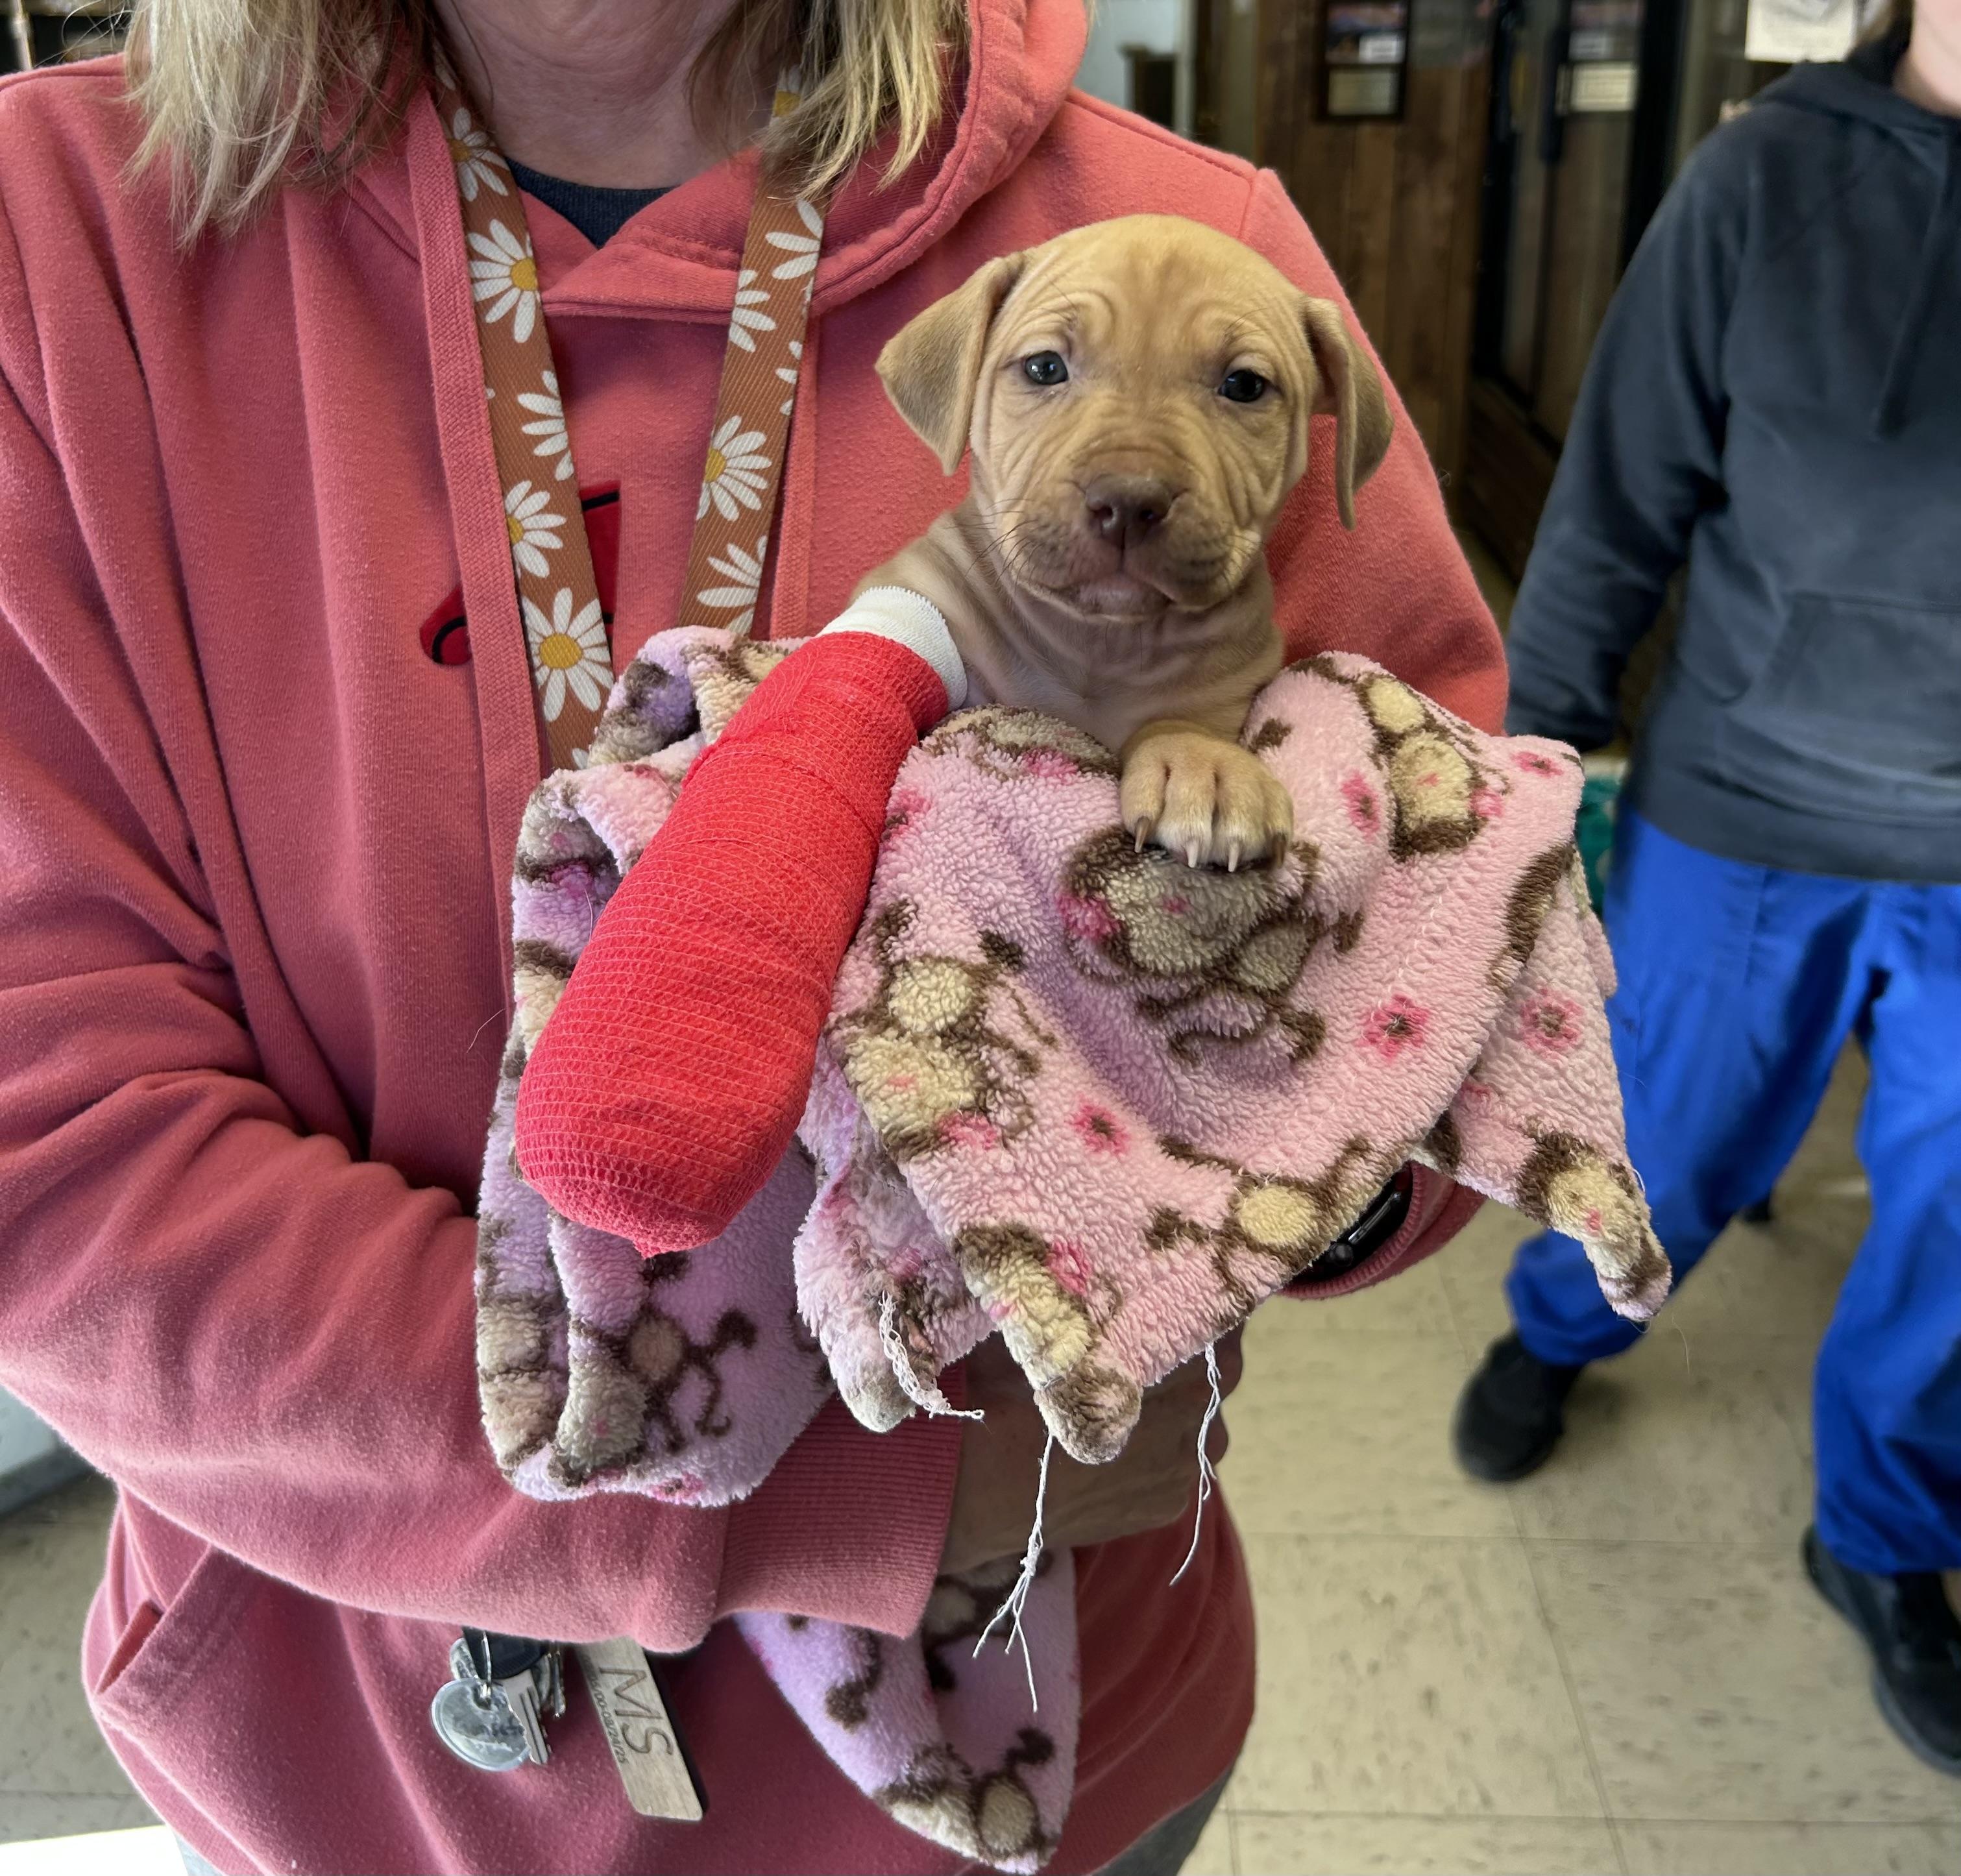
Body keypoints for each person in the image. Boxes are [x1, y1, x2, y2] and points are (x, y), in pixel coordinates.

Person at [0, 0, 1507, 1869]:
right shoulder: (54, 247)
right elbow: (51, 1172)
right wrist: (845, 1484)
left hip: (1052, 1745)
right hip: (369, 1766)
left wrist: (1316, 1132)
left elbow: (1449, 932)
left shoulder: (1182, 251)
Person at [1452, 0, 1961, 1776]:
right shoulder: (1762, 181)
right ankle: (1556, 1331)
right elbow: (1614, 499)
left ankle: (1885, 1531)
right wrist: (1536, 771)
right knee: (1663, 1148)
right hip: (1751, 802)